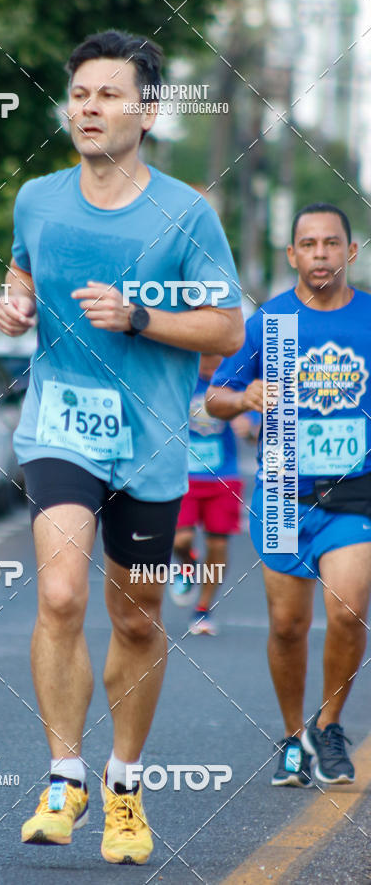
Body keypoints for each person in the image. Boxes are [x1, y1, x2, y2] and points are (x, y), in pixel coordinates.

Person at [0, 29, 243, 864]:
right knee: (61, 596)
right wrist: (14, 302)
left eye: (107, 94)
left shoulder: (186, 213)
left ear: (148, 109)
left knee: (135, 617)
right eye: (79, 94)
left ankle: (125, 786)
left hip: (149, 440)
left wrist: (140, 317)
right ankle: (63, 777)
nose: (88, 108)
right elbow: (24, 269)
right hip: (61, 423)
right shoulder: (37, 197)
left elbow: (226, 325)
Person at [206, 203, 371, 787]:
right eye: (309, 244)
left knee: (348, 611)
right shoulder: (268, 324)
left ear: (350, 252)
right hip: (281, 494)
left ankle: (330, 727)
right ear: (292, 255)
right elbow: (214, 400)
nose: (321, 254)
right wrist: (245, 396)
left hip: (355, 493)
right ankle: (294, 733)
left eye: (332, 243)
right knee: (286, 626)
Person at [170, 353, 260, 636]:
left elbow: (257, 434)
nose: (211, 364)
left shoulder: (236, 386)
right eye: (205, 357)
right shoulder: (182, 381)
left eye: (217, 359)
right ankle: (188, 564)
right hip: (185, 476)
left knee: (218, 546)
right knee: (180, 539)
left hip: (224, 477)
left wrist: (248, 431)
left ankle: (203, 608)